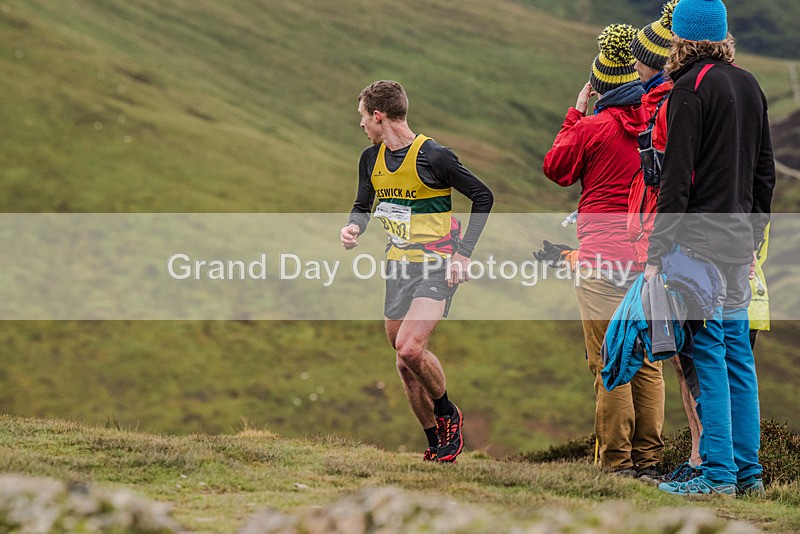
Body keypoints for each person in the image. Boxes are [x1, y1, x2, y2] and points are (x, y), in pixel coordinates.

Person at [644, 0, 776, 496]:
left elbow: (676, 180)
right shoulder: (749, 84)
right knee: (739, 355)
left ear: (682, 39)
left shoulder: (688, 90)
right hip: (740, 244)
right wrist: (755, 230)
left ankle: (718, 476)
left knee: (710, 351)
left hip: (697, 246)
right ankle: (751, 474)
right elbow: (766, 172)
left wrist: (658, 250)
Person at [341, 80, 493, 463]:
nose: (361, 125)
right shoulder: (369, 159)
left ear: (378, 116)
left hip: (437, 264)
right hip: (398, 265)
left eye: (363, 117)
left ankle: (448, 414)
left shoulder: (434, 156)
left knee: (411, 347)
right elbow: (363, 203)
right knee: (403, 359)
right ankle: (434, 442)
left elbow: (483, 195)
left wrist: (464, 255)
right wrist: (353, 226)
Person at [543, 24, 665, 478]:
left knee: (610, 361)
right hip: (647, 260)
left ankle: (616, 464)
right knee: (648, 360)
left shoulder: (594, 127)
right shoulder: (654, 124)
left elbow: (556, 168)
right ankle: (650, 460)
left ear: (599, 89)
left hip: (600, 261)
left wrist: (576, 113)